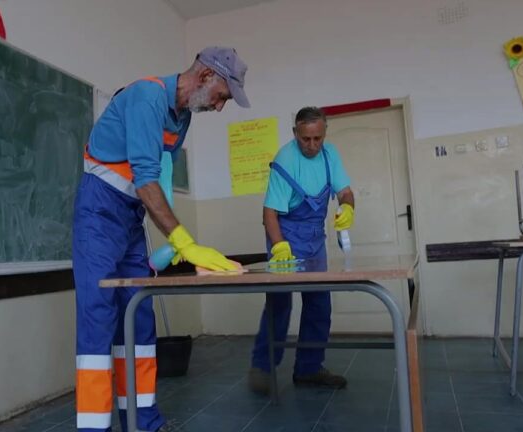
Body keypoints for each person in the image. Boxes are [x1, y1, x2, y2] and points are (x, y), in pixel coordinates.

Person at [73, 47, 250, 432]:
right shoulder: (146, 96)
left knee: (138, 320)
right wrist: (185, 241)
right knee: (98, 322)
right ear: (204, 76)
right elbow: (144, 178)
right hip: (98, 216)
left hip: (131, 219)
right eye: (222, 96)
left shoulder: (182, 116)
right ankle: (94, 428)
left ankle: (144, 423)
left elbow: (161, 177)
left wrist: (171, 244)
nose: (220, 107)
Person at [248, 106, 355, 394]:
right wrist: (280, 245)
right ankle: (262, 366)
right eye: (305, 139)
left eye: (317, 139)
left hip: (314, 239)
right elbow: (269, 212)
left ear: (324, 134)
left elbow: (344, 191)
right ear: (296, 133)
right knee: (280, 303)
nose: (312, 145)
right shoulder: (286, 158)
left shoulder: (331, 155)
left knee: (320, 302)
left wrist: (347, 206)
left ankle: (309, 368)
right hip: (284, 233)